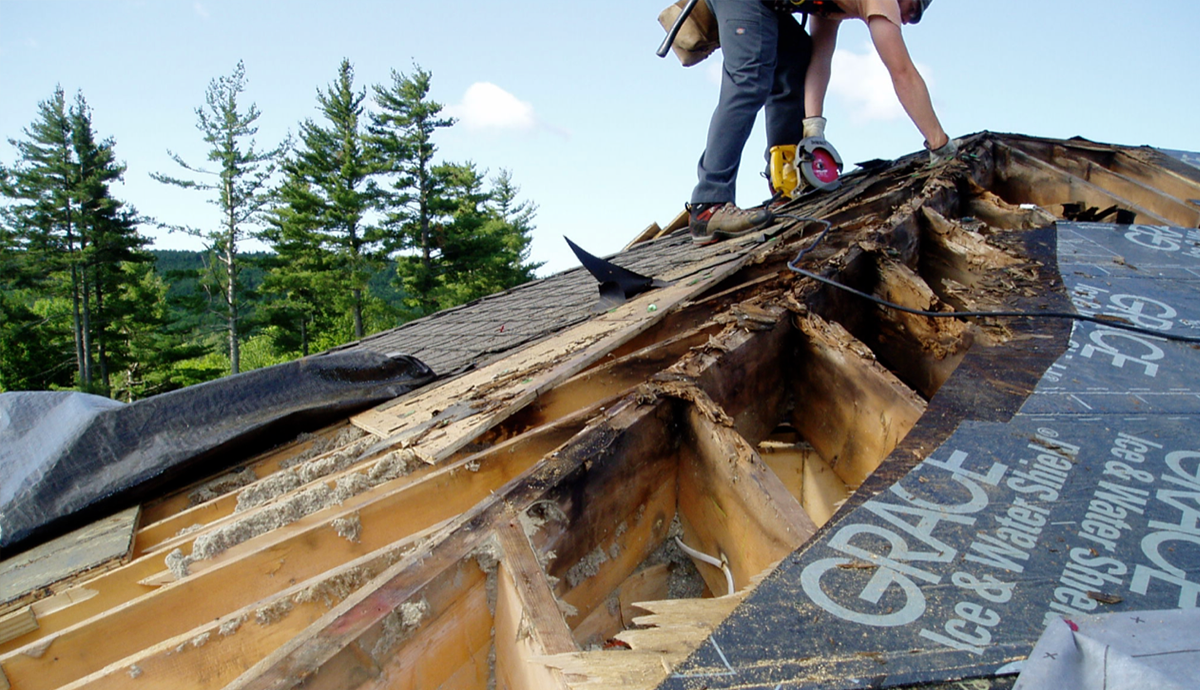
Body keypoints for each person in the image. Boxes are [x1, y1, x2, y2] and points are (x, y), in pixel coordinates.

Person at [687, 0, 953, 246]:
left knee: (796, 57)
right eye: (914, 11)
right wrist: (940, 144)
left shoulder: (835, 6)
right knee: (750, 77)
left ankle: (786, 182)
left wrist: (813, 130)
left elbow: (820, 59)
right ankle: (709, 203)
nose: (907, 19)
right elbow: (902, 73)